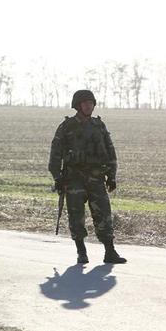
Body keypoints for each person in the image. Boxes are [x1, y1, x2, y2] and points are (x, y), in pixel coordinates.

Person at [48, 89, 127, 264]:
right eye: (85, 103)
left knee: (104, 214)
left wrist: (112, 175)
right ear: (77, 106)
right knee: (76, 216)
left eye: (91, 103)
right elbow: (55, 154)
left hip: (96, 178)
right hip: (74, 178)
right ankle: (81, 251)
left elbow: (110, 151)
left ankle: (110, 251)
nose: (88, 106)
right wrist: (57, 178)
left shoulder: (99, 126)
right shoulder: (67, 127)